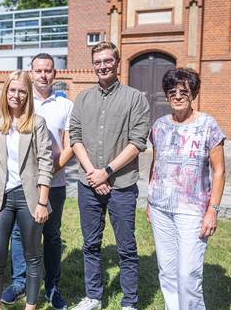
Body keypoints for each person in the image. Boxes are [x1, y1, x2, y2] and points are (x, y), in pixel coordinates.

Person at [69, 41, 150, 310]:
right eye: (98, 62)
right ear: (93, 65)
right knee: (91, 244)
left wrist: (107, 173)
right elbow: (75, 137)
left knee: (126, 247)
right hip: (88, 184)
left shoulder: (135, 98)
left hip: (122, 186)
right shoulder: (82, 99)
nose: (103, 66)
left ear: (117, 62)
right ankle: (93, 296)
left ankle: (129, 302)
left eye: (107, 61)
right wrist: (93, 173)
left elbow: (138, 142)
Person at [147, 68, 225, 310]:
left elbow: (219, 171)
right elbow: (155, 164)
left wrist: (212, 210)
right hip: (160, 208)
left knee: (188, 274)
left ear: (193, 94)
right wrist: (150, 203)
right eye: (172, 91)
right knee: (167, 272)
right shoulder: (159, 126)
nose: (178, 96)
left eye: (184, 91)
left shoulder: (208, 125)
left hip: (192, 210)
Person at [2, 54, 74, 310]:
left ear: (55, 74)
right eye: (39, 70)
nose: (43, 75)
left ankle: (52, 287)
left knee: (51, 235)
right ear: (31, 73)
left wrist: (48, 173)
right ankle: (19, 281)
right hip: (20, 186)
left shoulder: (65, 106)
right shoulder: (21, 101)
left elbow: (70, 145)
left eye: (48, 70)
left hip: (54, 184)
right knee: (20, 235)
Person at [0, 70, 53, 310]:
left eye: (22, 91)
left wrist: (42, 202)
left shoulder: (37, 123)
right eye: (12, 90)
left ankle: (30, 306)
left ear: (28, 94)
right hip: (1, 196)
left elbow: (46, 163)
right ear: (6, 91)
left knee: (32, 255)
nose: (17, 95)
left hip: (30, 197)